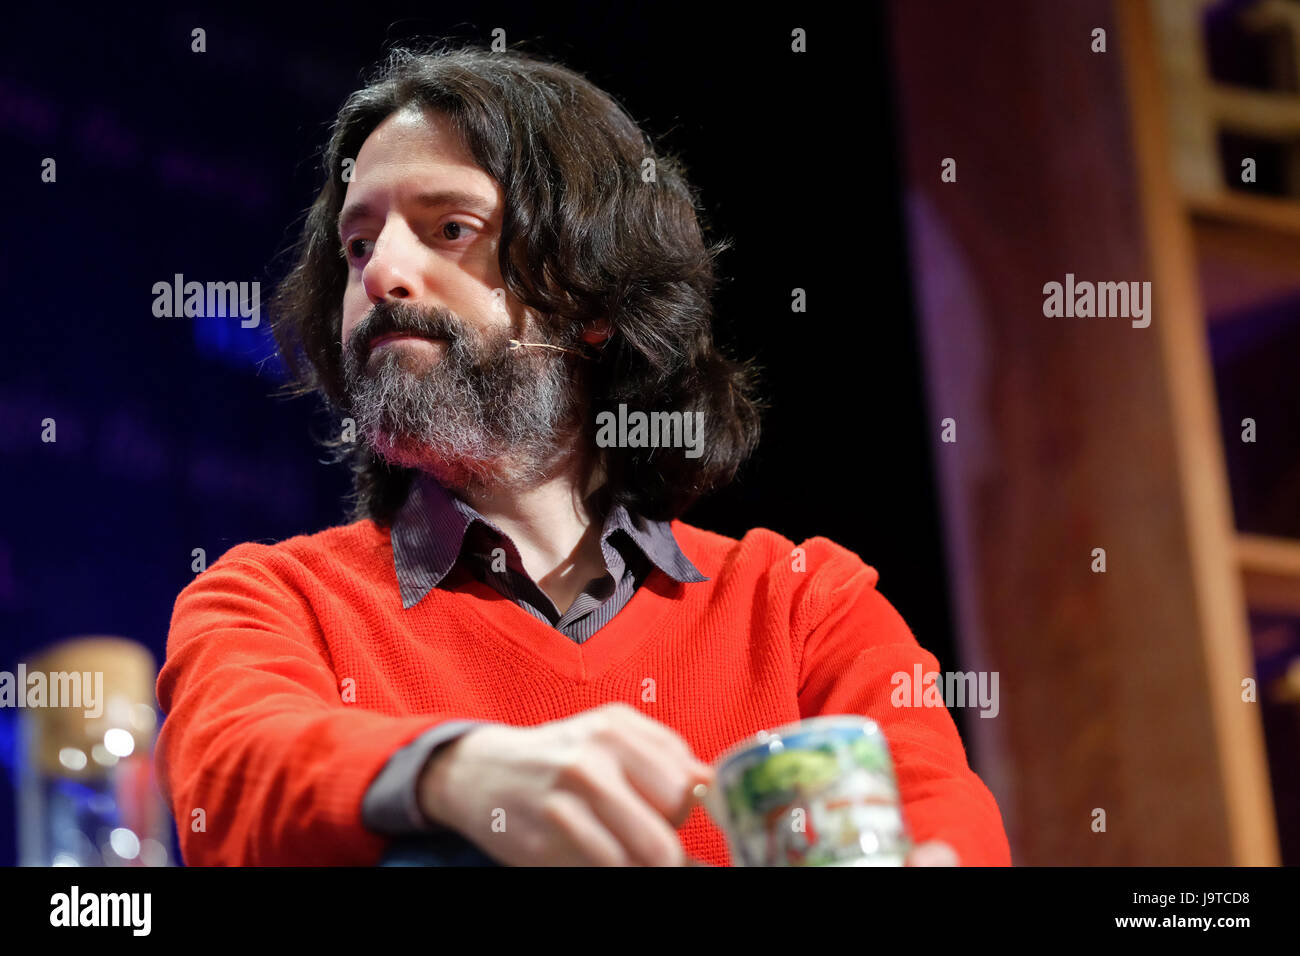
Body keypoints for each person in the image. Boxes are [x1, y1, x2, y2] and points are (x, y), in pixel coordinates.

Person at [154, 44, 1011, 867]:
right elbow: (231, 779)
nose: (381, 273)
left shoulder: (804, 607)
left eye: (450, 228)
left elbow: (942, 834)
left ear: (591, 296)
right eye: (358, 244)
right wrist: (459, 771)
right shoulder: (269, 601)